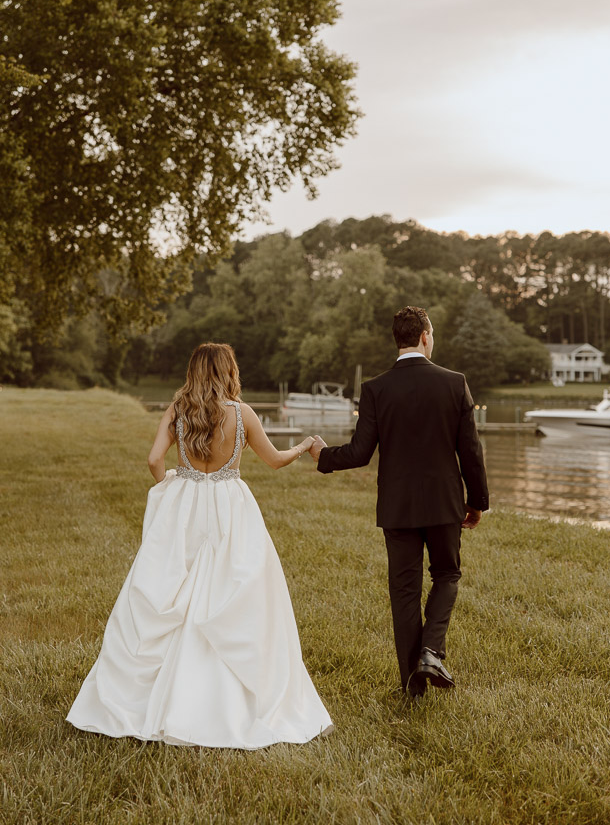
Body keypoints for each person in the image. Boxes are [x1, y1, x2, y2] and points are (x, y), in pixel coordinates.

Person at [67, 342, 332, 748]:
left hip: (185, 504)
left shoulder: (177, 410)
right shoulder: (242, 414)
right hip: (230, 507)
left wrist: (175, 488)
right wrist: (303, 446)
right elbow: (276, 460)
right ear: (228, 370)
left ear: (193, 371)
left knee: (172, 587)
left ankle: (148, 695)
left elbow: (155, 460)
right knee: (232, 589)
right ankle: (227, 695)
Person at [309, 306, 489, 699]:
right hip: (444, 504)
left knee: (404, 591)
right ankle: (431, 650)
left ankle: (413, 686)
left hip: (398, 507)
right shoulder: (455, 383)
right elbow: (470, 452)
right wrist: (476, 502)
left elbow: (359, 452)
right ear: (425, 336)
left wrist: (323, 455)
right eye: (433, 333)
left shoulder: (377, 388)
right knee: (446, 575)